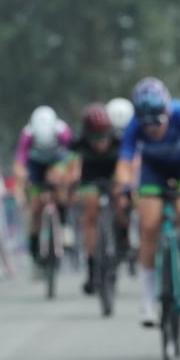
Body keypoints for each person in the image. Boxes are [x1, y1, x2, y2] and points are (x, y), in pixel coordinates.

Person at [115, 77, 180, 327]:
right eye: (147, 126)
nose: (153, 130)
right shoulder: (134, 125)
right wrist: (126, 187)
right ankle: (148, 300)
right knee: (148, 226)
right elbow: (124, 163)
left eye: (158, 123)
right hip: (154, 170)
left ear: (167, 111)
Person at [67, 103, 126, 295]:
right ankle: (92, 268)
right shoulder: (78, 143)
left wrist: (122, 185)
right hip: (89, 180)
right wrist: (72, 185)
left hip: (113, 177)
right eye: (95, 138)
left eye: (103, 137)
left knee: (122, 201)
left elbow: (128, 165)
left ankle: (123, 236)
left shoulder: (119, 141)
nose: (100, 143)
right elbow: (72, 168)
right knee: (90, 215)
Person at [13, 105, 74, 266]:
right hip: (36, 164)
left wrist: (68, 176)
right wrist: (21, 178)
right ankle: (34, 243)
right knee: (35, 206)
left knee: (58, 183)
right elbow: (19, 162)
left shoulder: (63, 132)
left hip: (57, 160)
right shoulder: (27, 134)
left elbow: (72, 156)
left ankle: (63, 224)